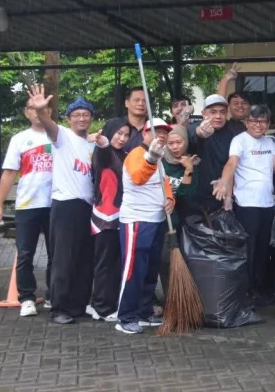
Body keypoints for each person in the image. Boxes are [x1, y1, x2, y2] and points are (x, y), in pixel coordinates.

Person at [218, 105, 275, 304]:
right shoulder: (239, 140)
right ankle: (246, 290)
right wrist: (223, 183)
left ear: (268, 124)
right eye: (253, 121)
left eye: (262, 122)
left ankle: (258, 289)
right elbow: (231, 164)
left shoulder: (270, 142)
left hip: (267, 204)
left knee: (263, 249)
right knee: (249, 249)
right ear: (246, 122)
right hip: (246, 204)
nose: (258, 125)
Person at [28, 86, 96, 325]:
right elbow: (50, 126)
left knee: (84, 259)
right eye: (76, 114)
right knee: (63, 259)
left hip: (88, 207)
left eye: (85, 114)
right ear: (69, 119)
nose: (81, 118)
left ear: (91, 118)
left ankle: (78, 305)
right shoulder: (63, 136)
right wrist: (41, 111)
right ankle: (59, 308)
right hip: (65, 205)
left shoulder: (91, 145)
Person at [0, 98, 55, 317]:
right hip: (28, 205)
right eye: (33, 109)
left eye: (43, 108)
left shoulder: (60, 135)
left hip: (56, 204)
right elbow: (9, 172)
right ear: (26, 113)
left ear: (49, 110)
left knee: (56, 254)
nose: (38, 112)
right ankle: (27, 298)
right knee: (25, 254)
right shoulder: (19, 139)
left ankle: (53, 295)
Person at [115, 119, 174, 334]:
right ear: (145, 133)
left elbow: (164, 182)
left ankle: (144, 311)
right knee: (134, 270)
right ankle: (125, 317)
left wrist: (170, 199)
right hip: (137, 221)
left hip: (157, 220)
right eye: (156, 131)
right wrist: (151, 158)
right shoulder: (136, 155)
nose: (161, 135)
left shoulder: (160, 158)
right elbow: (139, 177)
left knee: (150, 270)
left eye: (164, 132)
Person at [87, 118, 132, 322]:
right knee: (105, 264)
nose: (122, 138)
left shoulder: (124, 156)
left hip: (120, 217)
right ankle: (102, 308)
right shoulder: (103, 154)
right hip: (105, 218)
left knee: (114, 264)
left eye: (126, 135)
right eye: (118, 133)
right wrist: (102, 141)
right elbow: (103, 147)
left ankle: (105, 303)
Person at [190, 94, 236, 216]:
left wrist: (228, 196)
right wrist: (202, 132)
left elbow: (233, 163)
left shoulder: (233, 134)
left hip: (223, 194)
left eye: (222, 112)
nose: (218, 116)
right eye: (213, 112)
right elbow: (194, 133)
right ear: (204, 113)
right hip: (196, 197)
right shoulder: (196, 127)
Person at [161, 124, 198, 235]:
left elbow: (185, 196)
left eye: (179, 142)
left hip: (184, 222)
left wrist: (188, 170)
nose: (175, 147)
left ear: (186, 141)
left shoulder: (193, 162)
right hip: (163, 219)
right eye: (170, 143)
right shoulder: (160, 161)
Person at [217, 63, 249, 133]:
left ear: (250, 106)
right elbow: (218, 103)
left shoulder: (256, 126)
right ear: (228, 107)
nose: (240, 106)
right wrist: (225, 80)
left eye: (244, 103)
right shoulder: (225, 126)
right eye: (236, 103)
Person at [121, 87, 149, 153]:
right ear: (127, 103)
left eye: (144, 101)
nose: (141, 104)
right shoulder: (115, 125)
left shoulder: (154, 128)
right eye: (136, 100)